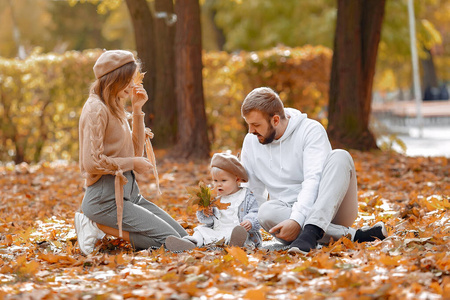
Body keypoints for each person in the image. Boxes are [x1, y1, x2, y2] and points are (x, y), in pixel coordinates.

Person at [240, 87, 387, 254]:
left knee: (340, 156)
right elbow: (253, 193)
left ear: (275, 120)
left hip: (332, 209)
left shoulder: (310, 130)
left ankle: (311, 232)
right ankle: (354, 235)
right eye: (248, 124)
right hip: (285, 217)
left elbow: (314, 180)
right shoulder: (251, 142)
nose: (250, 131)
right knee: (266, 211)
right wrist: (245, 228)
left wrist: (298, 220)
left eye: (256, 125)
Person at [75, 50, 187, 255]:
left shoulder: (115, 106)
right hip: (104, 200)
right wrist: (133, 163)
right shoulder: (95, 109)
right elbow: (91, 162)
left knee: (183, 237)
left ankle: (100, 226)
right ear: (113, 79)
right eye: (127, 79)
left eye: (133, 79)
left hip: (130, 194)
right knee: (171, 242)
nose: (132, 84)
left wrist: (137, 111)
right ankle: (96, 225)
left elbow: (135, 151)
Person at [165, 153, 262, 252]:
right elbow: (208, 221)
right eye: (215, 180)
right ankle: (191, 243)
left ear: (236, 179)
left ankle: (235, 243)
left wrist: (250, 221)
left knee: (240, 233)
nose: (218, 184)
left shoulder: (246, 195)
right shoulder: (213, 196)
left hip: (236, 231)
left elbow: (255, 212)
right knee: (201, 230)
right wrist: (206, 212)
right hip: (217, 231)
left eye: (223, 180)